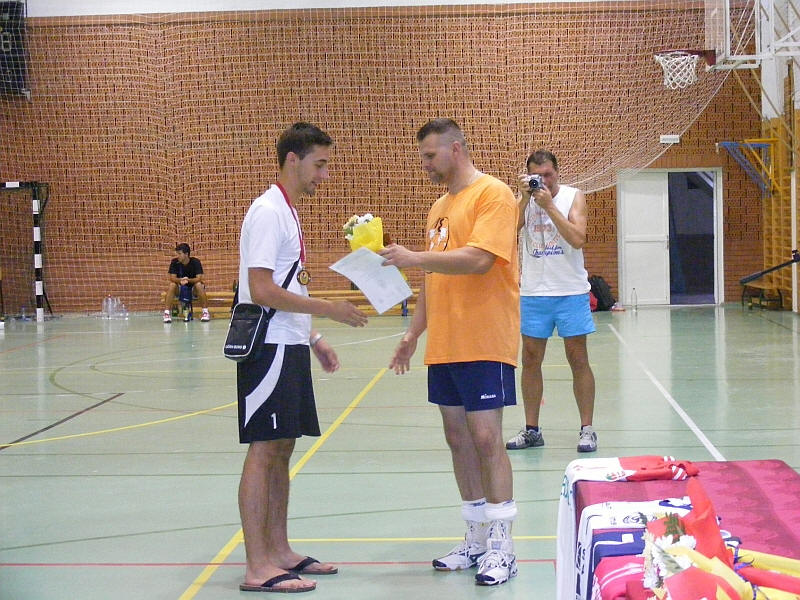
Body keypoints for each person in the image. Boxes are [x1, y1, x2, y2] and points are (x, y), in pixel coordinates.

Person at [379, 118, 520, 586]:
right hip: (445, 342)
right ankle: (475, 537)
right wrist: (413, 333)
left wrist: (414, 257)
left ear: (456, 149)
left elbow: (480, 260)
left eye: (430, 155)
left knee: (486, 437)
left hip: (484, 338)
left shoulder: (493, 194)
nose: (424, 164)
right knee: (458, 438)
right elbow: (433, 278)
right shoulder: (438, 208)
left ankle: (502, 546)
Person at [236, 122, 368, 593]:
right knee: (264, 449)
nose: (324, 175)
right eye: (320, 164)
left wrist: (313, 337)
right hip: (267, 347)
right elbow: (261, 288)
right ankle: (257, 566)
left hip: (290, 342)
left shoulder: (288, 213)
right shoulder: (267, 212)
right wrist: (327, 309)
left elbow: (287, 283)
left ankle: (279, 550)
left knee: (283, 448)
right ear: (293, 159)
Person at [505, 150, 598, 453]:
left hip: (570, 290)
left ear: (557, 172)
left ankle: (587, 429)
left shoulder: (573, 196)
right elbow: (505, 233)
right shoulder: (525, 200)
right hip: (534, 292)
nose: (543, 181)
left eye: (548, 175)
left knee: (578, 358)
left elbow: (577, 238)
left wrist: (549, 206)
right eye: (537, 176)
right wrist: (524, 199)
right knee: (531, 359)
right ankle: (532, 429)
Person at [163, 243, 210, 322]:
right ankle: (166, 313)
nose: (177, 256)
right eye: (177, 254)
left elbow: (199, 278)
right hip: (180, 289)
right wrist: (180, 280)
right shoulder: (174, 262)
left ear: (186, 254)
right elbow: (172, 278)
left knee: (199, 284)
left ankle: (205, 312)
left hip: (193, 289)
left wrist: (188, 280)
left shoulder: (195, 262)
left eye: (179, 254)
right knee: (172, 285)